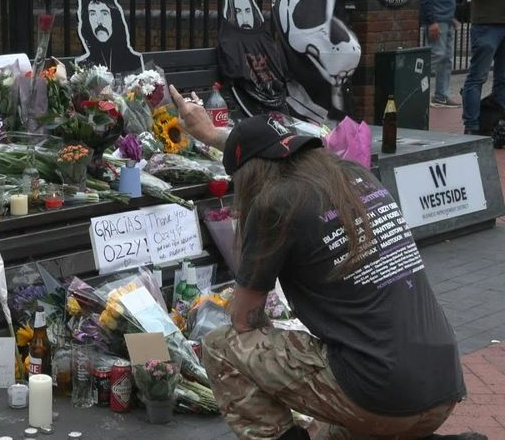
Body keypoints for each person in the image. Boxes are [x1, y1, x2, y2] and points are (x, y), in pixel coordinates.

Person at [169, 85, 485, 440]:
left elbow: (245, 321)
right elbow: (266, 153)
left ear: (247, 177)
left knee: (221, 346)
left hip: (381, 396)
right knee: (327, 432)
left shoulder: (275, 203)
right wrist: (212, 135)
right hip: (440, 385)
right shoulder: (353, 174)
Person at [460, 0, 505, 135]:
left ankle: (497, 124)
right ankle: (472, 127)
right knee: (477, 77)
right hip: (486, 24)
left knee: (503, 79)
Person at [75, 0, 143, 74]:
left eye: (104, 13)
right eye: (92, 14)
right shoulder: (83, 65)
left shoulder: (133, 61)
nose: (99, 21)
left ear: (114, 18)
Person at [421, 0, 461, 108]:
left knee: (446, 59)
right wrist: (432, 21)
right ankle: (414, 88)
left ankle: (441, 96)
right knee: (436, 55)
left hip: (445, 20)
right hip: (437, 21)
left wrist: (451, 17)